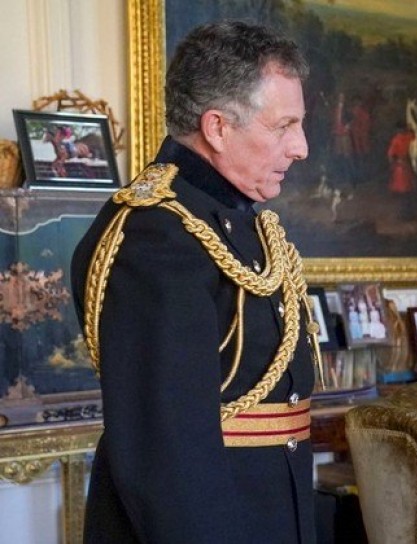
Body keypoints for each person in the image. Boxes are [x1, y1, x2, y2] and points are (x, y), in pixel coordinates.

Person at [70, 21, 318, 543]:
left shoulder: (239, 222)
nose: (301, 147)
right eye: (284, 126)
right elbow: (168, 458)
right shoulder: (153, 237)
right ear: (218, 127)